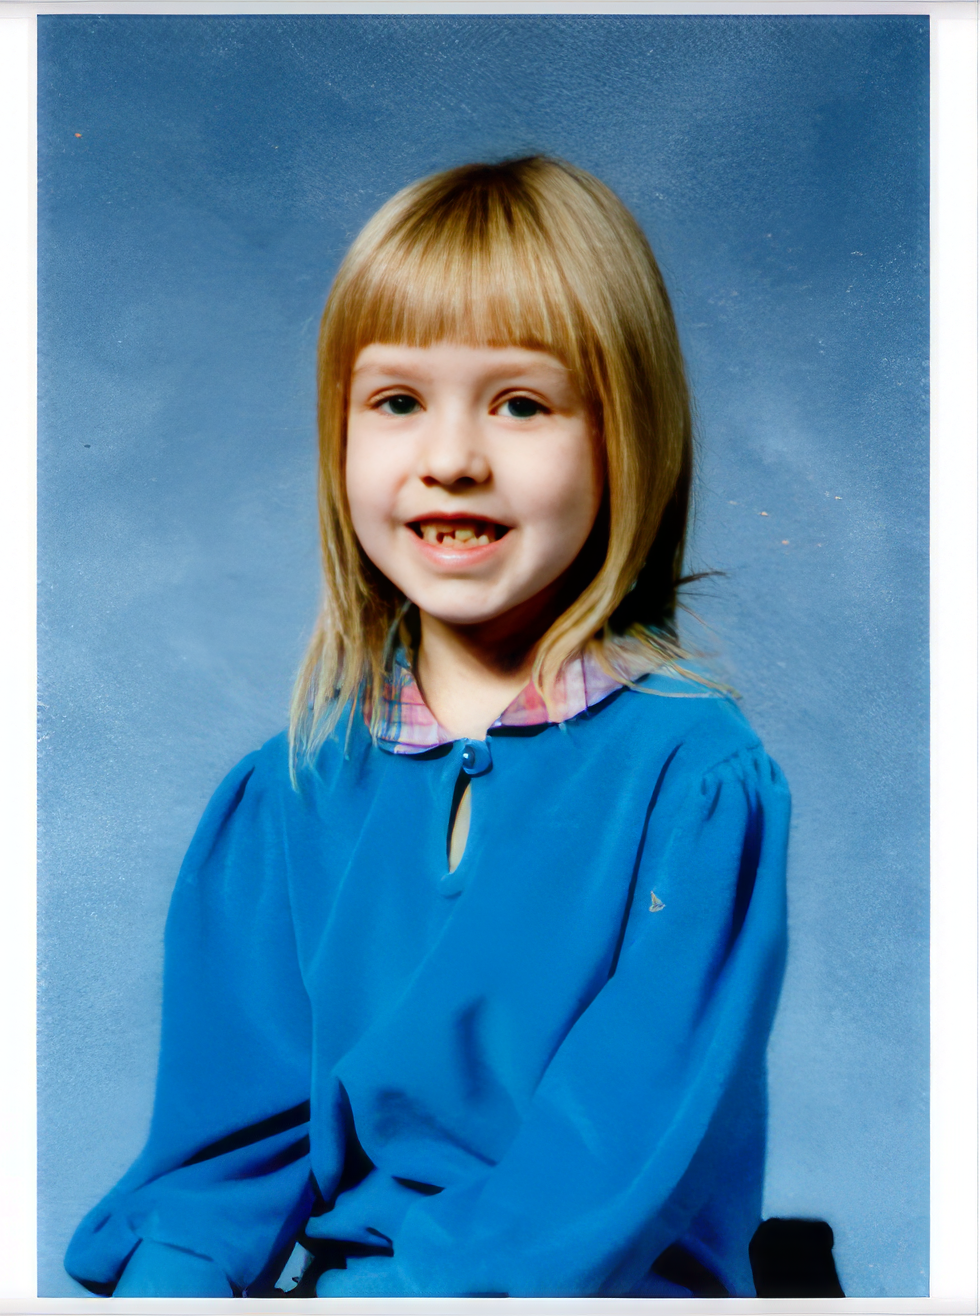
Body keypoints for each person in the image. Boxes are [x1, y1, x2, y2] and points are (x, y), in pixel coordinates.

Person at [65, 156, 790, 1299]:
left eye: (520, 403)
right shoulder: (287, 791)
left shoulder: (690, 780)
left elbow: (609, 1155)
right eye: (397, 401)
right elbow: (232, 1148)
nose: (450, 457)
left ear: (623, 437)